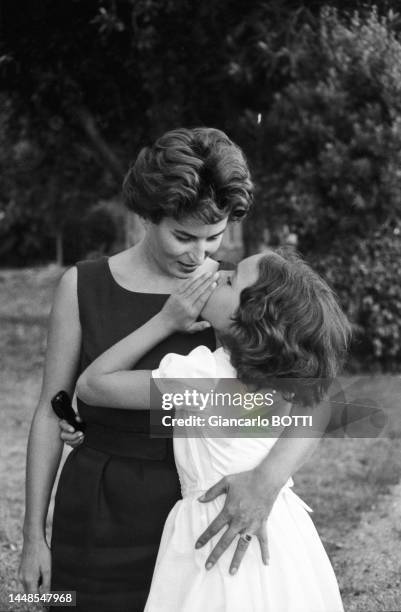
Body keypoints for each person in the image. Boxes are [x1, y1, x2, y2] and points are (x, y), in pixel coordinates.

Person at [19, 127, 254, 611]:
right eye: (182, 236)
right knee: (69, 604)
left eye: (213, 238)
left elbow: (296, 399)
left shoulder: (236, 291)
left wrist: (266, 484)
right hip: (97, 508)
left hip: (197, 509)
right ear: (148, 215)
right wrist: (32, 537)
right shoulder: (81, 284)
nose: (198, 256)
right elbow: (49, 411)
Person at [76, 248, 351, 612]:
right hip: (284, 530)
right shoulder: (288, 380)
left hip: (212, 528)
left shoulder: (203, 376)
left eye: (232, 280)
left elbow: (93, 385)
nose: (218, 275)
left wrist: (165, 322)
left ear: (249, 320)